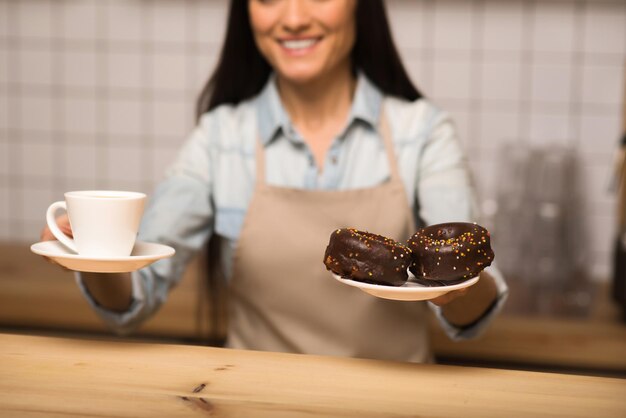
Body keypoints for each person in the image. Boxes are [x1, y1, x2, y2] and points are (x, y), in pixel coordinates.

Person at [41, 0, 507, 362]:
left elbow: (474, 315)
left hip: (394, 402)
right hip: (251, 400)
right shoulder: (220, 138)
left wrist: (455, 289)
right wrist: (93, 259)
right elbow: (135, 301)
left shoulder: (423, 133)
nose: (293, 17)